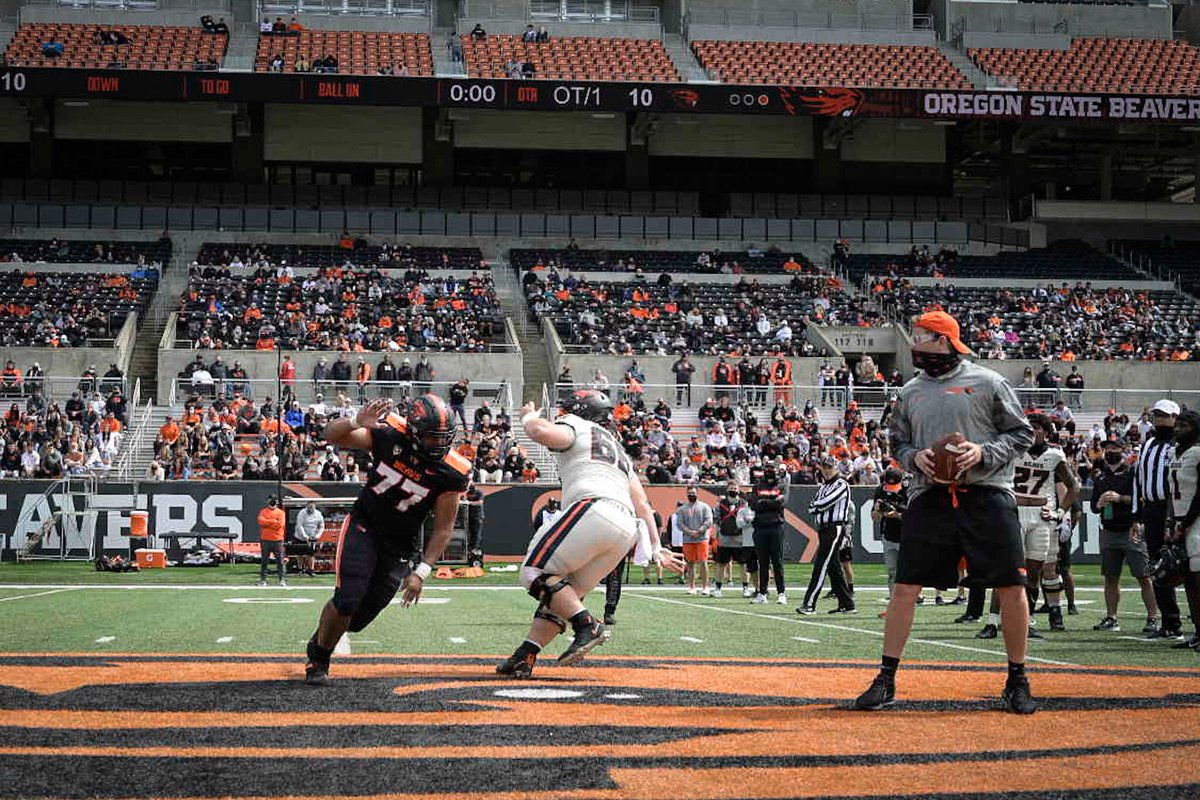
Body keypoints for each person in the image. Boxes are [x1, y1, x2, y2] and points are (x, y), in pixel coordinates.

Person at [852, 310, 1037, 715]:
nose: (915, 344)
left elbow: (1023, 433)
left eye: (922, 336)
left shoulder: (988, 381)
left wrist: (983, 452)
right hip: (929, 495)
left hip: (987, 492)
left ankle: (1018, 678)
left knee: (1011, 586)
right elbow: (896, 441)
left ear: (945, 340)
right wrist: (914, 457)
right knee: (904, 588)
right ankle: (886, 678)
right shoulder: (910, 391)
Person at [496, 390, 683, 678]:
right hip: (625, 528)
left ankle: (588, 625)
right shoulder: (618, 450)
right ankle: (526, 655)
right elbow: (643, 504)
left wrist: (528, 416)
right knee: (562, 594)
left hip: (594, 509)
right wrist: (657, 546)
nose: (562, 414)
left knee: (534, 572)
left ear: (581, 411)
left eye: (568, 410)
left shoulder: (578, 425)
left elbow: (540, 431)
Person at [302, 394, 469, 686]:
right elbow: (330, 435)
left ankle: (322, 638)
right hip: (364, 525)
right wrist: (356, 421)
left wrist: (422, 572)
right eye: (432, 438)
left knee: (358, 620)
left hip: (399, 546)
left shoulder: (451, 471)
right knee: (347, 600)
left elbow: (443, 528)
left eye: (444, 438)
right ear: (414, 432)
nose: (439, 445)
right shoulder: (390, 433)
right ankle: (319, 658)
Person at [975, 413, 1079, 639]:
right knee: (1005, 570)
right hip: (1015, 512)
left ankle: (1027, 622)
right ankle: (993, 622)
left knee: (1033, 573)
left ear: (1046, 431)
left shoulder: (1054, 454)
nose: (1032, 432)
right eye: (1029, 428)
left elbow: (1073, 486)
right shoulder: (1014, 449)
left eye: (1037, 428)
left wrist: (1060, 512)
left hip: (1041, 516)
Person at [1092, 438, 1159, 634]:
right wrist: (1100, 503)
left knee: (1144, 576)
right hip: (1109, 530)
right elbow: (1095, 507)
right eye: (1108, 448)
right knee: (1110, 577)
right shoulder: (1101, 477)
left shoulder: (1133, 474)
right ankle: (1112, 617)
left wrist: (1120, 498)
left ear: (1124, 450)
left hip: (1131, 529)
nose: (1110, 451)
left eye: (1115, 448)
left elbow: (1142, 499)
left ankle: (1153, 617)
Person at [1135, 399, 1183, 639]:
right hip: (1151, 510)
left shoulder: (1179, 445)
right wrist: (1137, 515)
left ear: (1175, 418)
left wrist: (1172, 518)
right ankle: (1170, 622)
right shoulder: (1149, 444)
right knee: (1158, 567)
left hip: (1173, 510)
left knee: (1181, 565)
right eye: (1157, 416)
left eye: (1165, 416)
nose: (1160, 420)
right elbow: (1139, 479)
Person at [799, 456, 856, 614]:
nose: (827, 470)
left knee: (821, 565)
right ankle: (847, 604)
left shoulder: (842, 484)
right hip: (823, 529)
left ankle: (809, 604)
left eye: (830, 467)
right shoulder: (823, 487)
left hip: (834, 528)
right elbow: (812, 507)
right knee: (833, 567)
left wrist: (817, 506)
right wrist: (817, 506)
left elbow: (823, 503)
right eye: (824, 467)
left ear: (836, 468)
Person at [1168, 409, 1200, 650]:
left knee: (1198, 577)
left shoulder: (1198, 452)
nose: (1178, 429)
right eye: (1177, 424)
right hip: (1180, 520)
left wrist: (1186, 522)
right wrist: (1171, 522)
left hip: (1196, 521)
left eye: (1184, 425)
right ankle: (1198, 632)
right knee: (1188, 578)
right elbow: (1171, 492)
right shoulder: (1173, 453)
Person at [872, 466, 908, 619]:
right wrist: (878, 511)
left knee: (905, 574)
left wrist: (897, 515)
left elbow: (915, 516)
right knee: (892, 573)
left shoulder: (908, 491)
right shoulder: (881, 490)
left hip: (906, 537)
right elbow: (874, 517)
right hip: (888, 536)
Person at [750, 463, 788, 604]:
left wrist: (763, 503)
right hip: (760, 527)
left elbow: (782, 503)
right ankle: (762, 593)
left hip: (776, 526)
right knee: (763, 562)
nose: (769, 471)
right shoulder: (758, 485)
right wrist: (771, 502)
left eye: (772, 468)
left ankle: (781, 593)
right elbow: (754, 504)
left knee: (777, 561)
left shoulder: (781, 485)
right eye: (767, 469)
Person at [714, 483, 755, 598]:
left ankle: (745, 588)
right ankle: (718, 588)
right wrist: (717, 535)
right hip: (724, 537)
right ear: (727, 489)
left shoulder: (744, 504)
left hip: (740, 538)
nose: (733, 490)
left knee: (743, 564)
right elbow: (716, 520)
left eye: (735, 488)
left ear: (738, 490)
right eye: (731, 488)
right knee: (721, 564)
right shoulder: (720, 504)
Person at [677, 486, 714, 596]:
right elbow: (680, 523)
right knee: (690, 563)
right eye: (689, 493)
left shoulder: (705, 507)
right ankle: (692, 586)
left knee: (703, 562)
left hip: (702, 539)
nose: (691, 495)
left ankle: (706, 586)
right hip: (688, 540)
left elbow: (708, 521)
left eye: (693, 493)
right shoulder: (682, 509)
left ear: (698, 493)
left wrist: (699, 531)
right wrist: (689, 532)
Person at [257, 495, 287, 587]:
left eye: (274, 500)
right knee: (264, 561)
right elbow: (261, 522)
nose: (272, 502)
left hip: (277, 540)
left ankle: (282, 580)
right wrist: (273, 521)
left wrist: (268, 522)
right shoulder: (263, 511)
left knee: (280, 561)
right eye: (270, 500)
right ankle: (263, 580)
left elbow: (280, 525)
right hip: (265, 540)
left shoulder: (281, 513)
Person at [294, 500, 325, 577]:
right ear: (306, 506)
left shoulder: (318, 514)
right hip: (300, 537)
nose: (310, 508)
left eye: (312, 506)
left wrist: (318, 536)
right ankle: (300, 570)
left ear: (315, 506)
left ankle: (311, 570)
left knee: (310, 554)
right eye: (309, 506)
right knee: (300, 554)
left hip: (312, 537)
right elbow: (299, 525)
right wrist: (304, 536)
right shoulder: (302, 513)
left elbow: (321, 526)